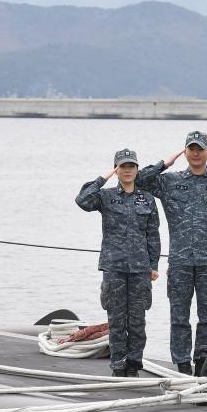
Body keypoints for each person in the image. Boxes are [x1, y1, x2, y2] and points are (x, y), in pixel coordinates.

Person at [135, 131, 207, 375]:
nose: (195, 153)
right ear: (185, 152)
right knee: (179, 316)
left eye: (199, 149)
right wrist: (165, 163)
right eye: (190, 148)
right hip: (180, 261)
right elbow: (138, 181)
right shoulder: (170, 182)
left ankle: (203, 360)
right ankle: (182, 364)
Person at [75, 148, 160, 377]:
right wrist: (103, 178)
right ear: (117, 169)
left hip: (140, 269)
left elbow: (153, 235)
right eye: (123, 166)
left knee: (137, 320)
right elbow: (82, 200)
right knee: (116, 320)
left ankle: (134, 364)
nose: (127, 170)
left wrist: (154, 266)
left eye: (131, 166)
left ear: (137, 169)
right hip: (114, 268)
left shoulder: (148, 199)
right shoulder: (105, 196)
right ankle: (118, 365)